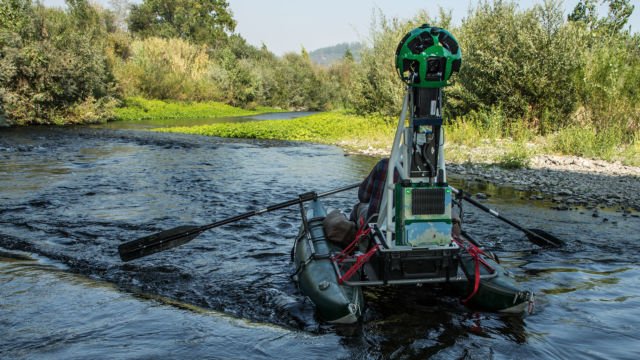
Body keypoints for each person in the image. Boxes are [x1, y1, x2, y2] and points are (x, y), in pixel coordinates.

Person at [350, 158, 398, 226]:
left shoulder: (384, 164)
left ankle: (355, 233)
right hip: (403, 226)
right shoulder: (415, 172)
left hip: (375, 221)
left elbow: (363, 197)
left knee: (358, 207)